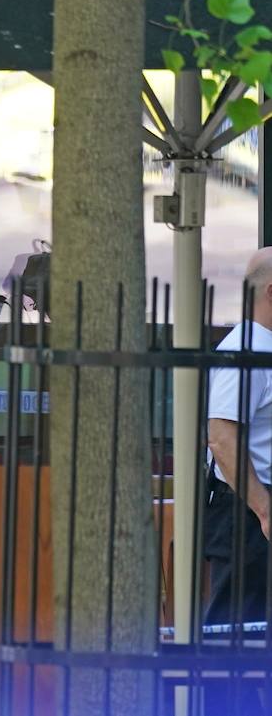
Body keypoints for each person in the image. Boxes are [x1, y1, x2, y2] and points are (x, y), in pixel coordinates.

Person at [204, 247, 272, 685]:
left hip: (255, 510)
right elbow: (222, 435)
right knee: (235, 639)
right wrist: (263, 510)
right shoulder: (246, 349)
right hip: (246, 514)